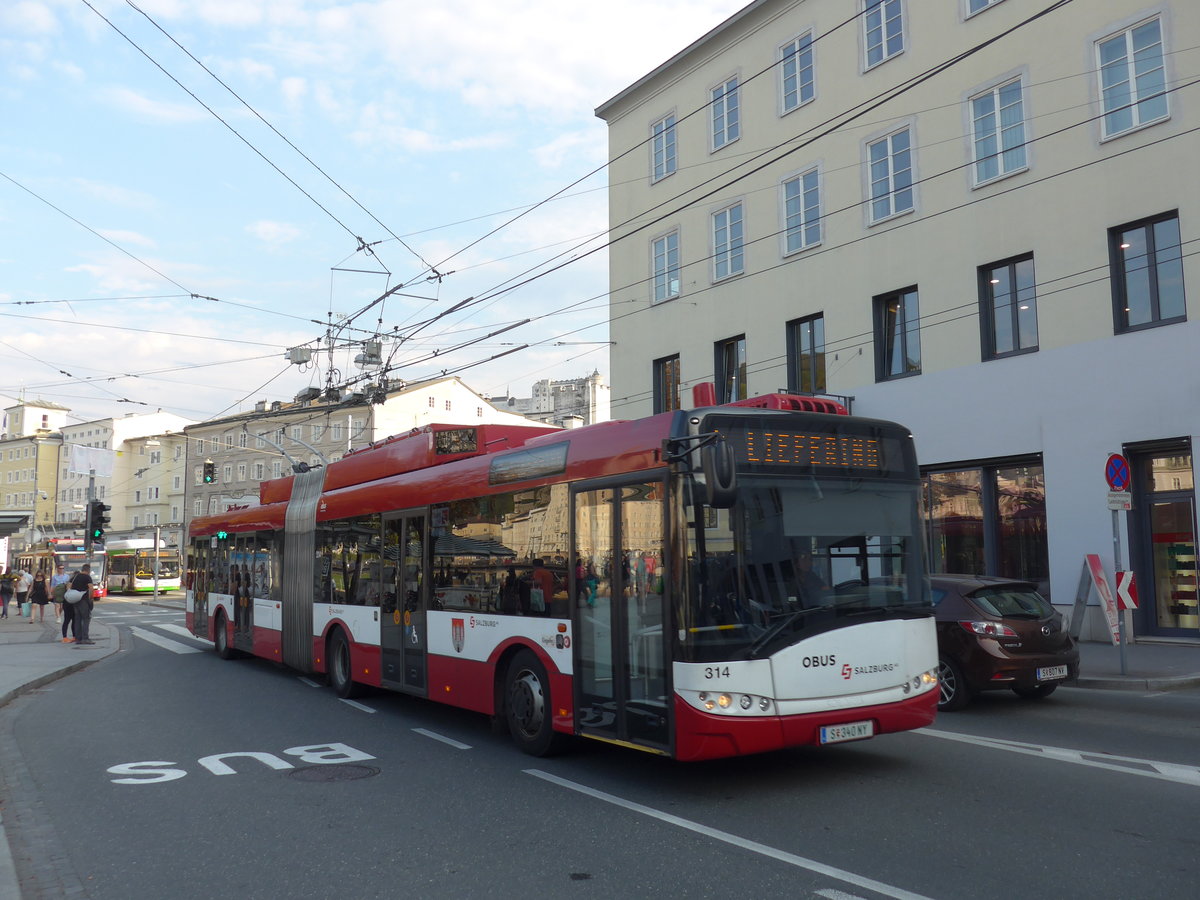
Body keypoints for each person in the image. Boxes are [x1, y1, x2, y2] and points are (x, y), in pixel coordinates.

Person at [69, 564, 97, 645]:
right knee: (86, 619)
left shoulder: (75, 577)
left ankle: (78, 639)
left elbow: (68, 586)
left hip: (75, 600)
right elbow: (91, 589)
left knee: (77, 619)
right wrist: (91, 599)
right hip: (83, 600)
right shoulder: (87, 577)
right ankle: (85, 638)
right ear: (88, 570)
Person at [50, 563, 71, 629]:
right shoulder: (54, 577)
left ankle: (59, 614)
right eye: (60, 568)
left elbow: (69, 584)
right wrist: (51, 593)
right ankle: (58, 617)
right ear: (57, 569)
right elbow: (52, 585)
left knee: (62, 606)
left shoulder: (67, 576)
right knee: (57, 605)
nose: (61, 569)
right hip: (57, 592)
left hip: (64, 592)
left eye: (63, 568)